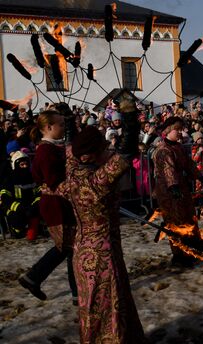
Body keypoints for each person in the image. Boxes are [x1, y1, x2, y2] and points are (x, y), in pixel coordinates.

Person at [53, 104, 146, 343]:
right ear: (92, 155)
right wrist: (129, 118)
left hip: (82, 253)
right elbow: (126, 154)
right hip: (102, 257)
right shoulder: (97, 181)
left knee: (92, 309)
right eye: (105, 148)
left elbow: (71, 147)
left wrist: (69, 121)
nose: (109, 151)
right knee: (108, 308)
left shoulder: (73, 173)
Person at [18, 109, 78, 304]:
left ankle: (35, 278)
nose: (63, 127)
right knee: (68, 247)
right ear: (48, 127)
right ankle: (35, 277)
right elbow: (53, 179)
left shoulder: (53, 147)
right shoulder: (46, 150)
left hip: (61, 203)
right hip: (55, 204)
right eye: (60, 124)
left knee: (70, 248)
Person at [151, 116, 203, 266]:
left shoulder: (178, 147)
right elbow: (168, 171)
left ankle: (190, 249)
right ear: (167, 131)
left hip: (181, 188)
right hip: (168, 191)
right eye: (176, 130)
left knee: (188, 218)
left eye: (180, 130)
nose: (179, 133)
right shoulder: (163, 150)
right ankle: (179, 255)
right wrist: (173, 188)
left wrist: (201, 178)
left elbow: (189, 165)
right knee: (175, 222)